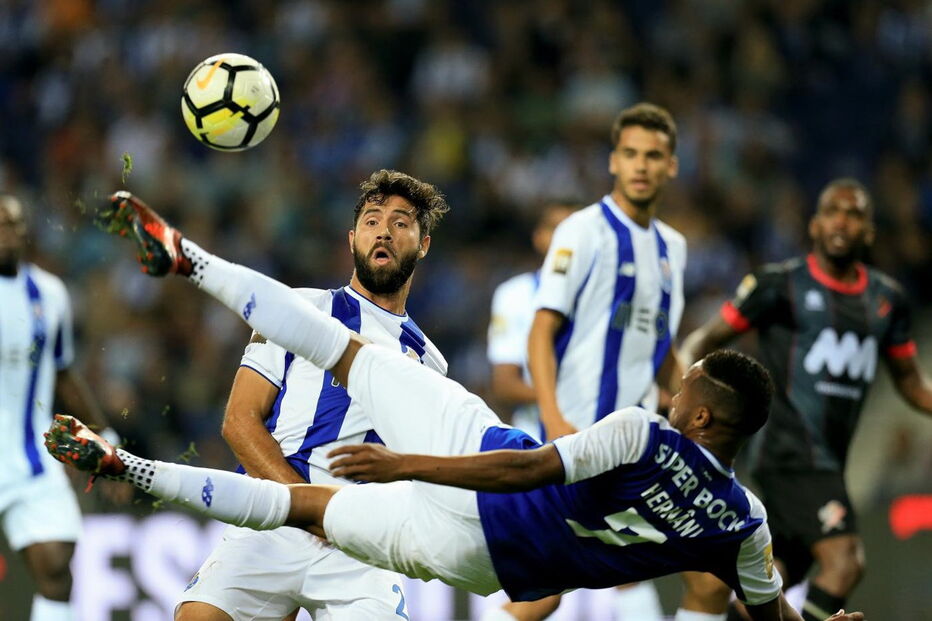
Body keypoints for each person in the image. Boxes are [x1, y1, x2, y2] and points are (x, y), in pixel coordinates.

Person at [48, 192, 863, 621]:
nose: (672, 385)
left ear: (700, 417)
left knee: (343, 362)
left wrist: (406, 462)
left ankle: (187, 263)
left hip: (458, 470)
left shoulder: (642, 434)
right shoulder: (743, 522)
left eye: (685, 385)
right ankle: (126, 461)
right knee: (306, 499)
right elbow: (769, 614)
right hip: (480, 559)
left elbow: (526, 467)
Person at [178, 170, 450, 621]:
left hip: (360, 544)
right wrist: (306, 506)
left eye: (400, 223)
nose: (383, 231)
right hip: (276, 512)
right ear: (352, 240)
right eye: (372, 220)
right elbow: (239, 421)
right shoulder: (297, 308)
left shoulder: (431, 364)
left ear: (422, 245)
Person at [680, 178, 932, 621]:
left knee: (769, 584)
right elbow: (704, 339)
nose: (842, 221)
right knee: (845, 560)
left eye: (854, 214)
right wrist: (685, 397)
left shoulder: (887, 301)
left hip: (829, 460)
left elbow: (910, 382)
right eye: (833, 211)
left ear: (869, 231)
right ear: (815, 225)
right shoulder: (779, 285)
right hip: (789, 451)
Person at [501, 102, 687, 621]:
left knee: (689, 563)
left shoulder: (674, 248)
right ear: (613, 161)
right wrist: (555, 420)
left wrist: (694, 410)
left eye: (653, 155)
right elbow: (540, 333)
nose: (641, 165)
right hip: (579, 433)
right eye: (630, 153)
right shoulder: (582, 231)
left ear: (672, 165)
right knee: (558, 583)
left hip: (639, 438)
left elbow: (662, 345)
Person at [0, 195, 119, 621]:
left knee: (55, 565)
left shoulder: (49, 294)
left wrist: (105, 434)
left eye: (13, 224)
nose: (6, 233)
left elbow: (63, 372)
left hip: (28, 458)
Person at [486, 203, 575, 442]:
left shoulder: (605, 296)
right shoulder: (515, 294)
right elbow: (505, 384)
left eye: (574, 230)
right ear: (539, 237)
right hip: (535, 437)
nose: (566, 239)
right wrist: (572, 400)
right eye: (557, 229)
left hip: (600, 436)